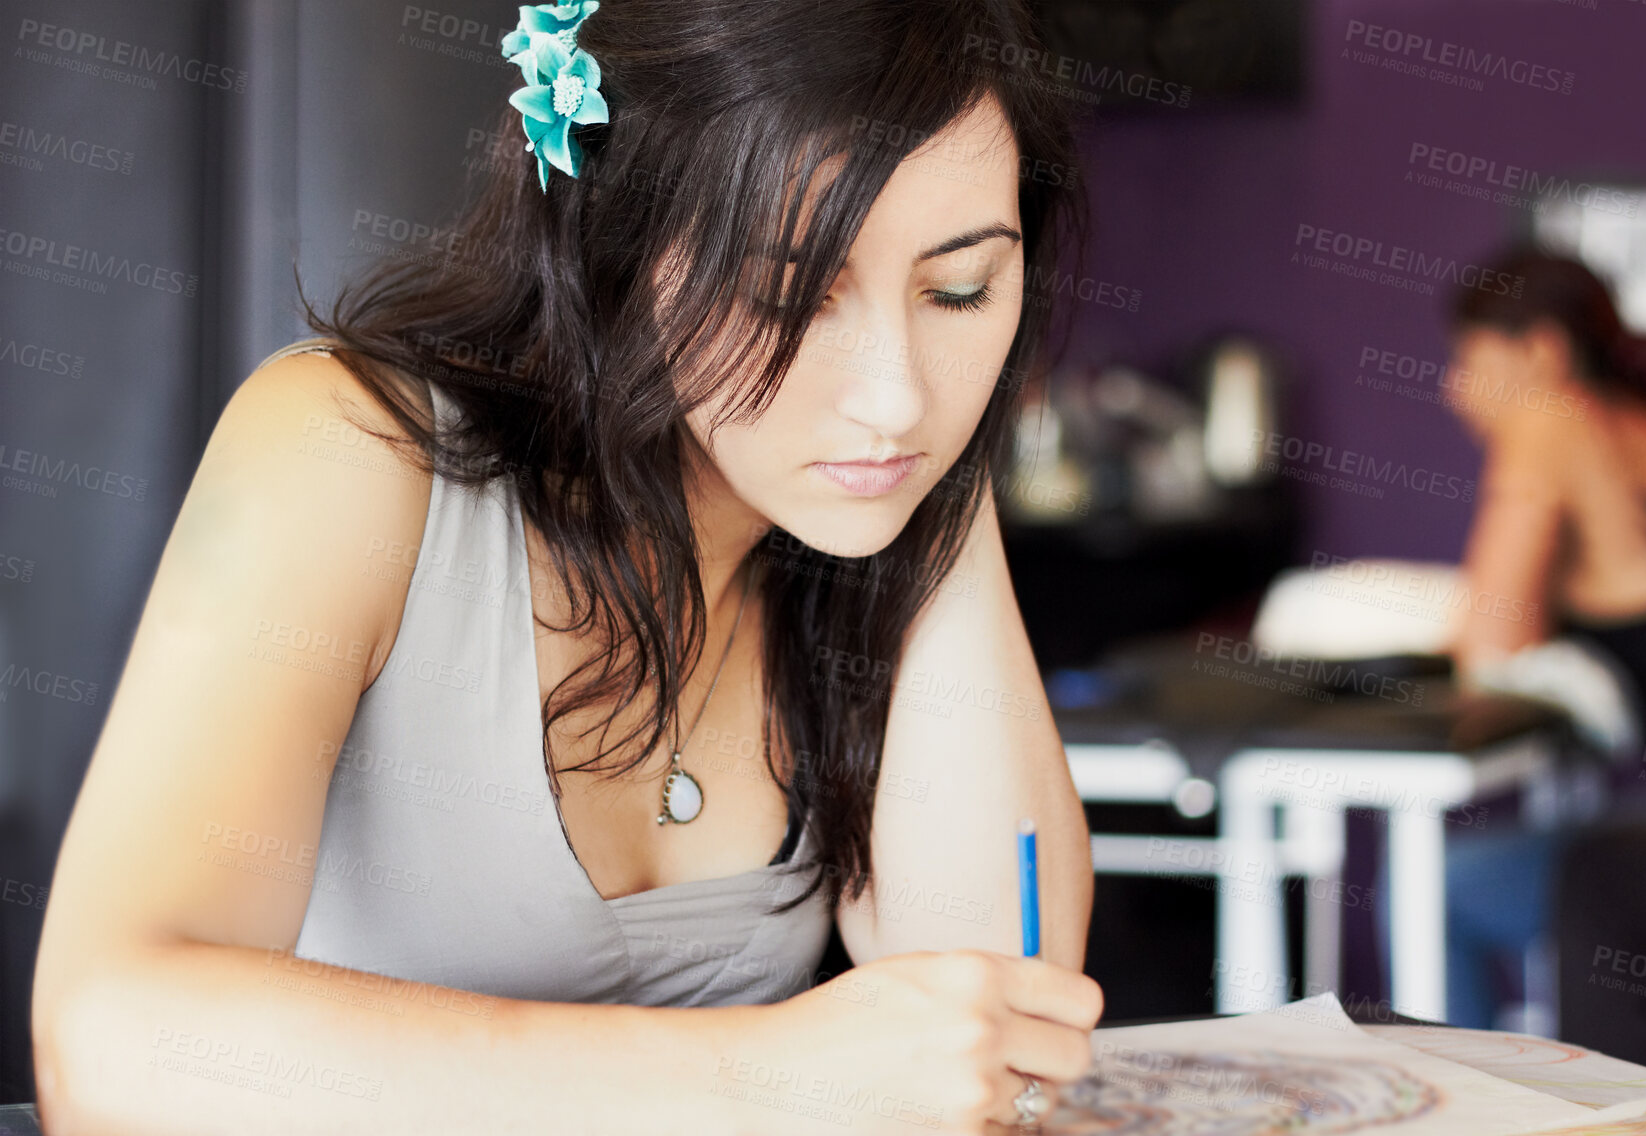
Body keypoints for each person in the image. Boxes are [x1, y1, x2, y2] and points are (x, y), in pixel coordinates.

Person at [28, 2, 1103, 1132]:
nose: (894, 393)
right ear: (619, 248)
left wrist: (939, 473)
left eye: (959, 289)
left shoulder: (861, 505)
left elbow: (997, 1028)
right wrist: (763, 1075)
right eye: (790, 293)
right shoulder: (347, 449)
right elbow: (107, 1044)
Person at [1436, 246, 1646, 1078]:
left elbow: (1488, 646)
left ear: (1540, 352)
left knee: (1448, 887)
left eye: (1470, 359)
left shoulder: (1551, 418)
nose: (1452, 387)